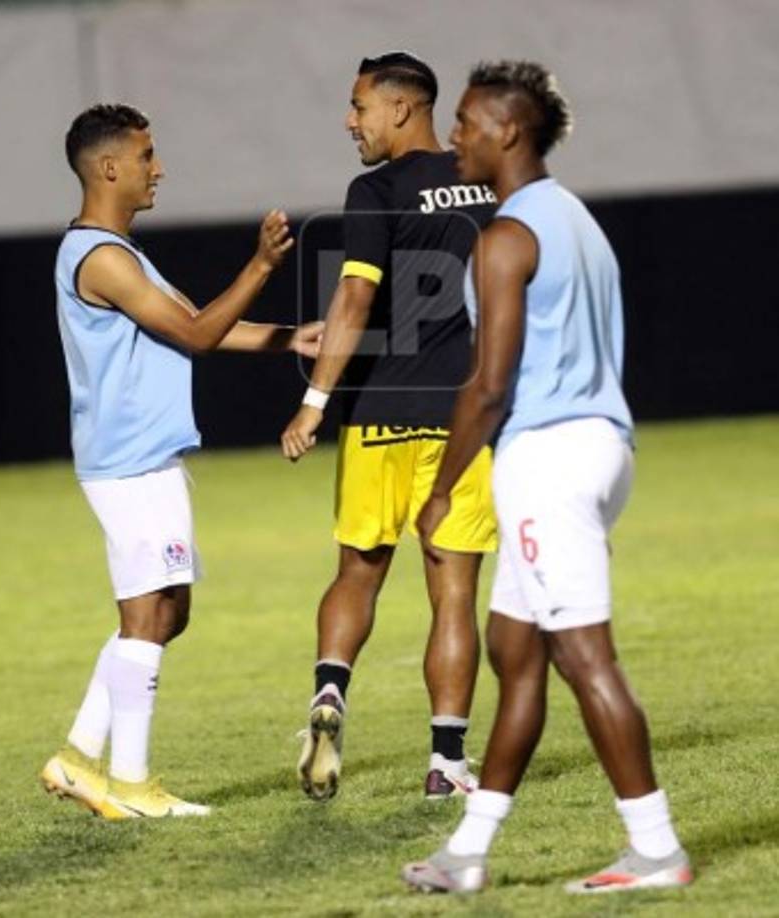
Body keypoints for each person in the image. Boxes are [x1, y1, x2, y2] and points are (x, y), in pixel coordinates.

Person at [402, 61, 693, 893]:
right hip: (603, 447)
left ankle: (656, 847)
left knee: (582, 655)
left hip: (548, 458)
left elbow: (488, 384)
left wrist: (442, 487)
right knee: (514, 650)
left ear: (508, 132)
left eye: (464, 122)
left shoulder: (504, 234)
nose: (453, 136)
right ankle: (468, 850)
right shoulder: (576, 219)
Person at [41, 103, 320, 819]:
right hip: (129, 458)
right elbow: (196, 333)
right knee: (149, 612)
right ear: (109, 168)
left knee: (168, 610)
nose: (156, 168)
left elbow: (201, 326)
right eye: (146, 155)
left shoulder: (119, 252)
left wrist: (291, 339)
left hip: (141, 454)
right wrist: (261, 264)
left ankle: (78, 758)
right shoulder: (100, 257)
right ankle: (129, 784)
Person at [281, 52, 497, 801]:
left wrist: (313, 401)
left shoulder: (375, 190)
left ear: (402, 108)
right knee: (454, 594)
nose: (350, 121)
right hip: (460, 422)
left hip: (376, 418)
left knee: (356, 574)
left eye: (358, 106)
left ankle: (331, 693)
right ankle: (446, 763)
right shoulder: (487, 184)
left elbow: (352, 303)